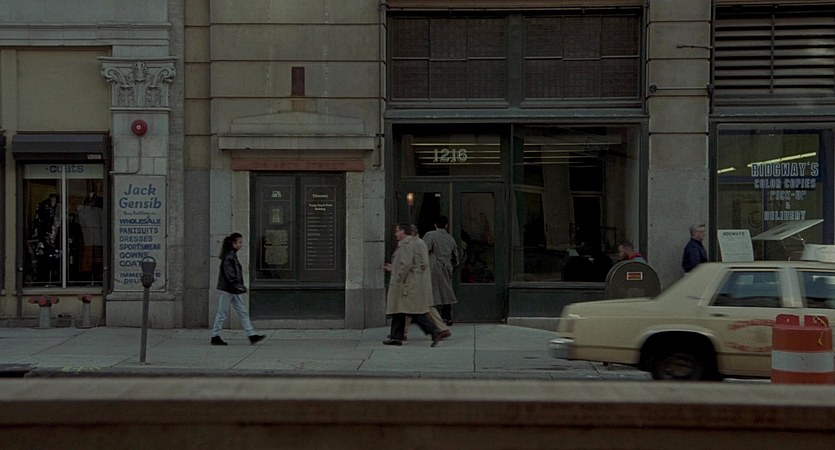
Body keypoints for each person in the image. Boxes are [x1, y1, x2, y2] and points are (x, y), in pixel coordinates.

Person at [383, 223, 443, 347]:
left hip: (406, 284)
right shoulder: (412, 243)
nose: (395, 234)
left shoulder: (407, 244)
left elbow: (406, 263)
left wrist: (399, 277)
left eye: (397, 231)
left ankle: (434, 331)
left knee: (413, 312)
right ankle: (396, 337)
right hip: (409, 283)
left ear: (403, 232)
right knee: (400, 311)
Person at [211, 232, 265, 346]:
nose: (241, 244)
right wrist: (242, 288)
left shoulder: (231, 256)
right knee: (222, 313)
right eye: (239, 242)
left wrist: (240, 287)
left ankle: (251, 335)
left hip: (233, 289)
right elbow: (230, 277)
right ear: (233, 243)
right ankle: (215, 336)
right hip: (228, 289)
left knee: (242, 312)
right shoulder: (229, 257)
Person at [422, 215, 459, 326]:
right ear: (446, 225)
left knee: (433, 292)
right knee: (446, 291)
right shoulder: (450, 238)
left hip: (434, 266)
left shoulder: (430, 235)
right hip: (447, 267)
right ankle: (448, 316)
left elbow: (423, 250)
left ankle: (435, 318)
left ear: (435, 225)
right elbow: (456, 257)